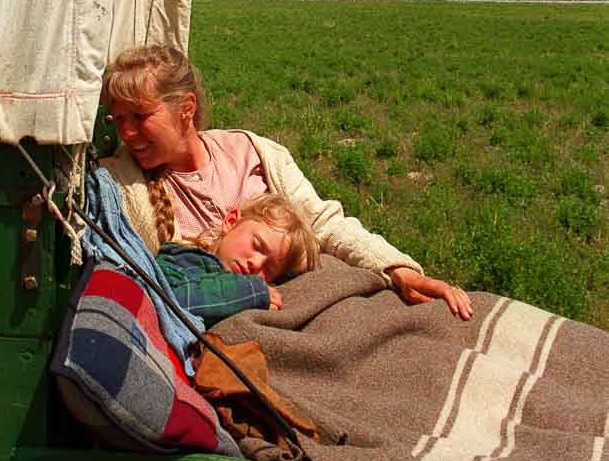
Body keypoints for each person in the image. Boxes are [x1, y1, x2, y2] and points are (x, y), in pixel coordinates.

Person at [101, 43, 473, 320]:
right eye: (119, 119)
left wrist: (398, 270)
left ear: (186, 108)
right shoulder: (123, 185)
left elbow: (323, 224)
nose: (128, 132)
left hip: (312, 300)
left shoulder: (253, 152)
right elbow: (157, 284)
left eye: (140, 115)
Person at [156, 192, 319, 326]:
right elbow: (172, 301)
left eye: (268, 269)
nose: (256, 263)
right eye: (257, 245)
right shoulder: (182, 258)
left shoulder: (252, 302)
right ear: (232, 222)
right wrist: (252, 292)